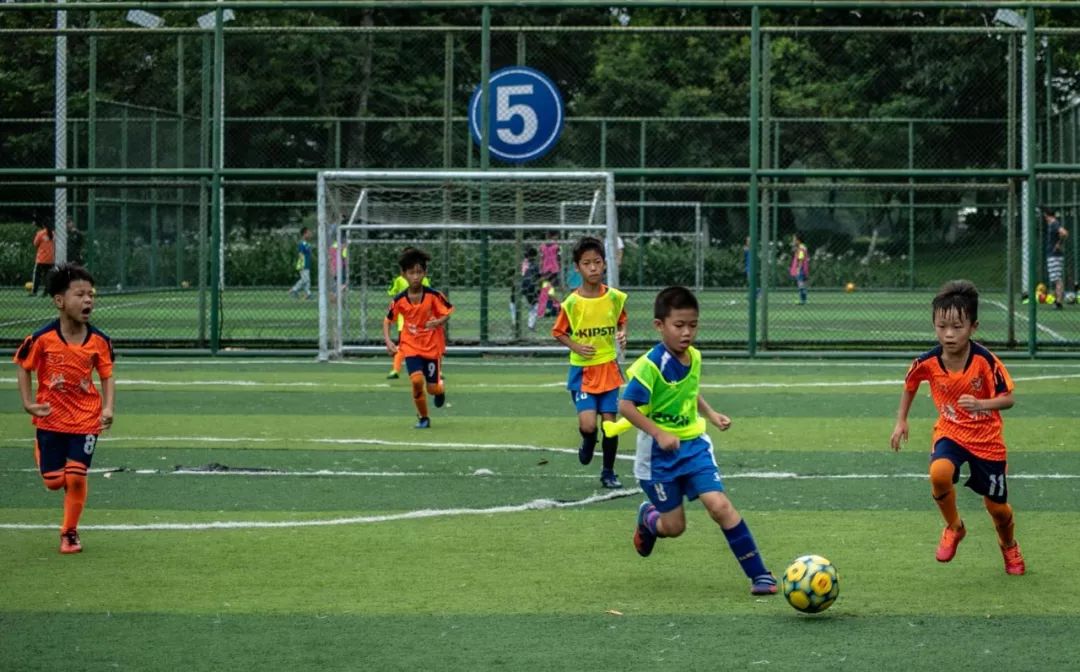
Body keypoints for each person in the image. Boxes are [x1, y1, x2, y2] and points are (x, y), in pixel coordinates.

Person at [619, 286, 778, 595]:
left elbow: (688, 391)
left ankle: (760, 575)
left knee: (719, 505)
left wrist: (711, 413)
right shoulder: (651, 365)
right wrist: (659, 433)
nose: (687, 332)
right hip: (658, 457)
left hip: (694, 447)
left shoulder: (694, 357)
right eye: (679, 325)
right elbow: (626, 406)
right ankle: (649, 519)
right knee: (675, 528)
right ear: (659, 325)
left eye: (692, 325)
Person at [889, 280, 1025, 575]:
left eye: (957, 327)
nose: (949, 334)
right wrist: (901, 420)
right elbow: (910, 385)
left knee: (998, 510)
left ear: (973, 327)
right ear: (934, 325)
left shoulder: (985, 361)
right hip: (951, 431)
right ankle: (954, 527)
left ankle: (1009, 546)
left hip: (987, 440)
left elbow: (1009, 399)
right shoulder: (925, 361)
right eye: (941, 326)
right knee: (939, 474)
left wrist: (981, 404)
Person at [13, 263, 115, 554]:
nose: (88, 301)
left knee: (76, 476)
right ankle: (42, 451)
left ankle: (69, 533)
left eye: (91, 295)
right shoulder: (42, 338)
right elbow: (23, 366)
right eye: (80, 294)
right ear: (59, 301)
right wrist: (28, 403)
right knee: (54, 482)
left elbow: (107, 375)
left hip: (86, 419)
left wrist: (107, 408)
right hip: (51, 419)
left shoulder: (100, 341)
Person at [552, 236, 628, 489]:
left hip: (608, 367)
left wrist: (622, 333)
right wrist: (576, 346)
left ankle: (608, 472)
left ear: (605, 264)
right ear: (577, 268)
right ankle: (587, 439)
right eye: (587, 264)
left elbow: (621, 319)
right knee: (588, 425)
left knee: (610, 424)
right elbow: (559, 331)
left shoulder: (615, 297)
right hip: (583, 371)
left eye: (597, 262)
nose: (593, 268)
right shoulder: (572, 303)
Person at [383, 247, 453, 429]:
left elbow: (448, 312)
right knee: (416, 381)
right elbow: (387, 320)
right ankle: (423, 418)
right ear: (404, 275)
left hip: (431, 347)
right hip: (411, 345)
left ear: (424, 273)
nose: (415, 276)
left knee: (432, 389)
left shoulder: (434, 295)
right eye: (411, 272)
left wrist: (438, 321)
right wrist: (388, 341)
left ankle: (440, 388)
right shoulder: (399, 300)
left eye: (419, 272)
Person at [385, 252, 431, 379]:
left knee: (427, 345)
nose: (415, 277)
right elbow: (392, 293)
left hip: (422, 321)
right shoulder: (399, 281)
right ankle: (395, 369)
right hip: (404, 321)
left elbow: (429, 297)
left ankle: (434, 370)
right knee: (403, 345)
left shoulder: (424, 281)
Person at [510, 246, 541, 332]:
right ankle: (530, 324)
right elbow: (538, 277)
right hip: (528, 284)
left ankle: (514, 322)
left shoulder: (519, 263)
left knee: (513, 302)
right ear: (534, 256)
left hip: (517, 284)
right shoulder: (535, 265)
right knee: (534, 305)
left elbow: (513, 274)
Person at [1044, 208, 1070, 310]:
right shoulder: (1052, 224)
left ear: (1047, 215)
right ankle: (1056, 300)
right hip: (1052, 254)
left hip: (1055, 255)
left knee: (1057, 279)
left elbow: (1064, 233)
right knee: (1055, 279)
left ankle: (1059, 302)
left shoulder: (1054, 223)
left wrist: (1059, 244)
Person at [537, 231, 561, 317]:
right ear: (552, 236)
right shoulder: (556, 246)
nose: (557, 239)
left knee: (547, 289)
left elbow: (541, 258)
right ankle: (556, 306)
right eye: (556, 237)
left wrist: (540, 269)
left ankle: (551, 307)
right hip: (553, 269)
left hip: (547, 270)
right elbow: (558, 258)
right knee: (548, 290)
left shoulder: (542, 246)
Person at [288, 226, 313, 300]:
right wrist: (301, 264)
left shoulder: (307, 244)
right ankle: (293, 290)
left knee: (307, 280)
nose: (310, 234)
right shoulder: (302, 244)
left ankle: (308, 294)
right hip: (303, 264)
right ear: (304, 234)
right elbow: (300, 254)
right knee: (305, 279)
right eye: (308, 233)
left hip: (307, 264)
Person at [32, 219, 55, 297]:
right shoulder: (54, 234)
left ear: (43, 225)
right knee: (48, 276)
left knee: (37, 276)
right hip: (51, 259)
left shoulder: (40, 233)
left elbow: (35, 244)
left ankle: (34, 291)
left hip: (41, 259)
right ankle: (46, 291)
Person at [788, 232, 809, 305]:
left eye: (794, 239)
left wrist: (798, 268)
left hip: (801, 269)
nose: (793, 241)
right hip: (803, 268)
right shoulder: (801, 247)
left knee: (801, 284)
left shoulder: (801, 248)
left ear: (798, 240)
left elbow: (800, 258)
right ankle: (804, 299)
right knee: (803, 284)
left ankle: (802, 300)